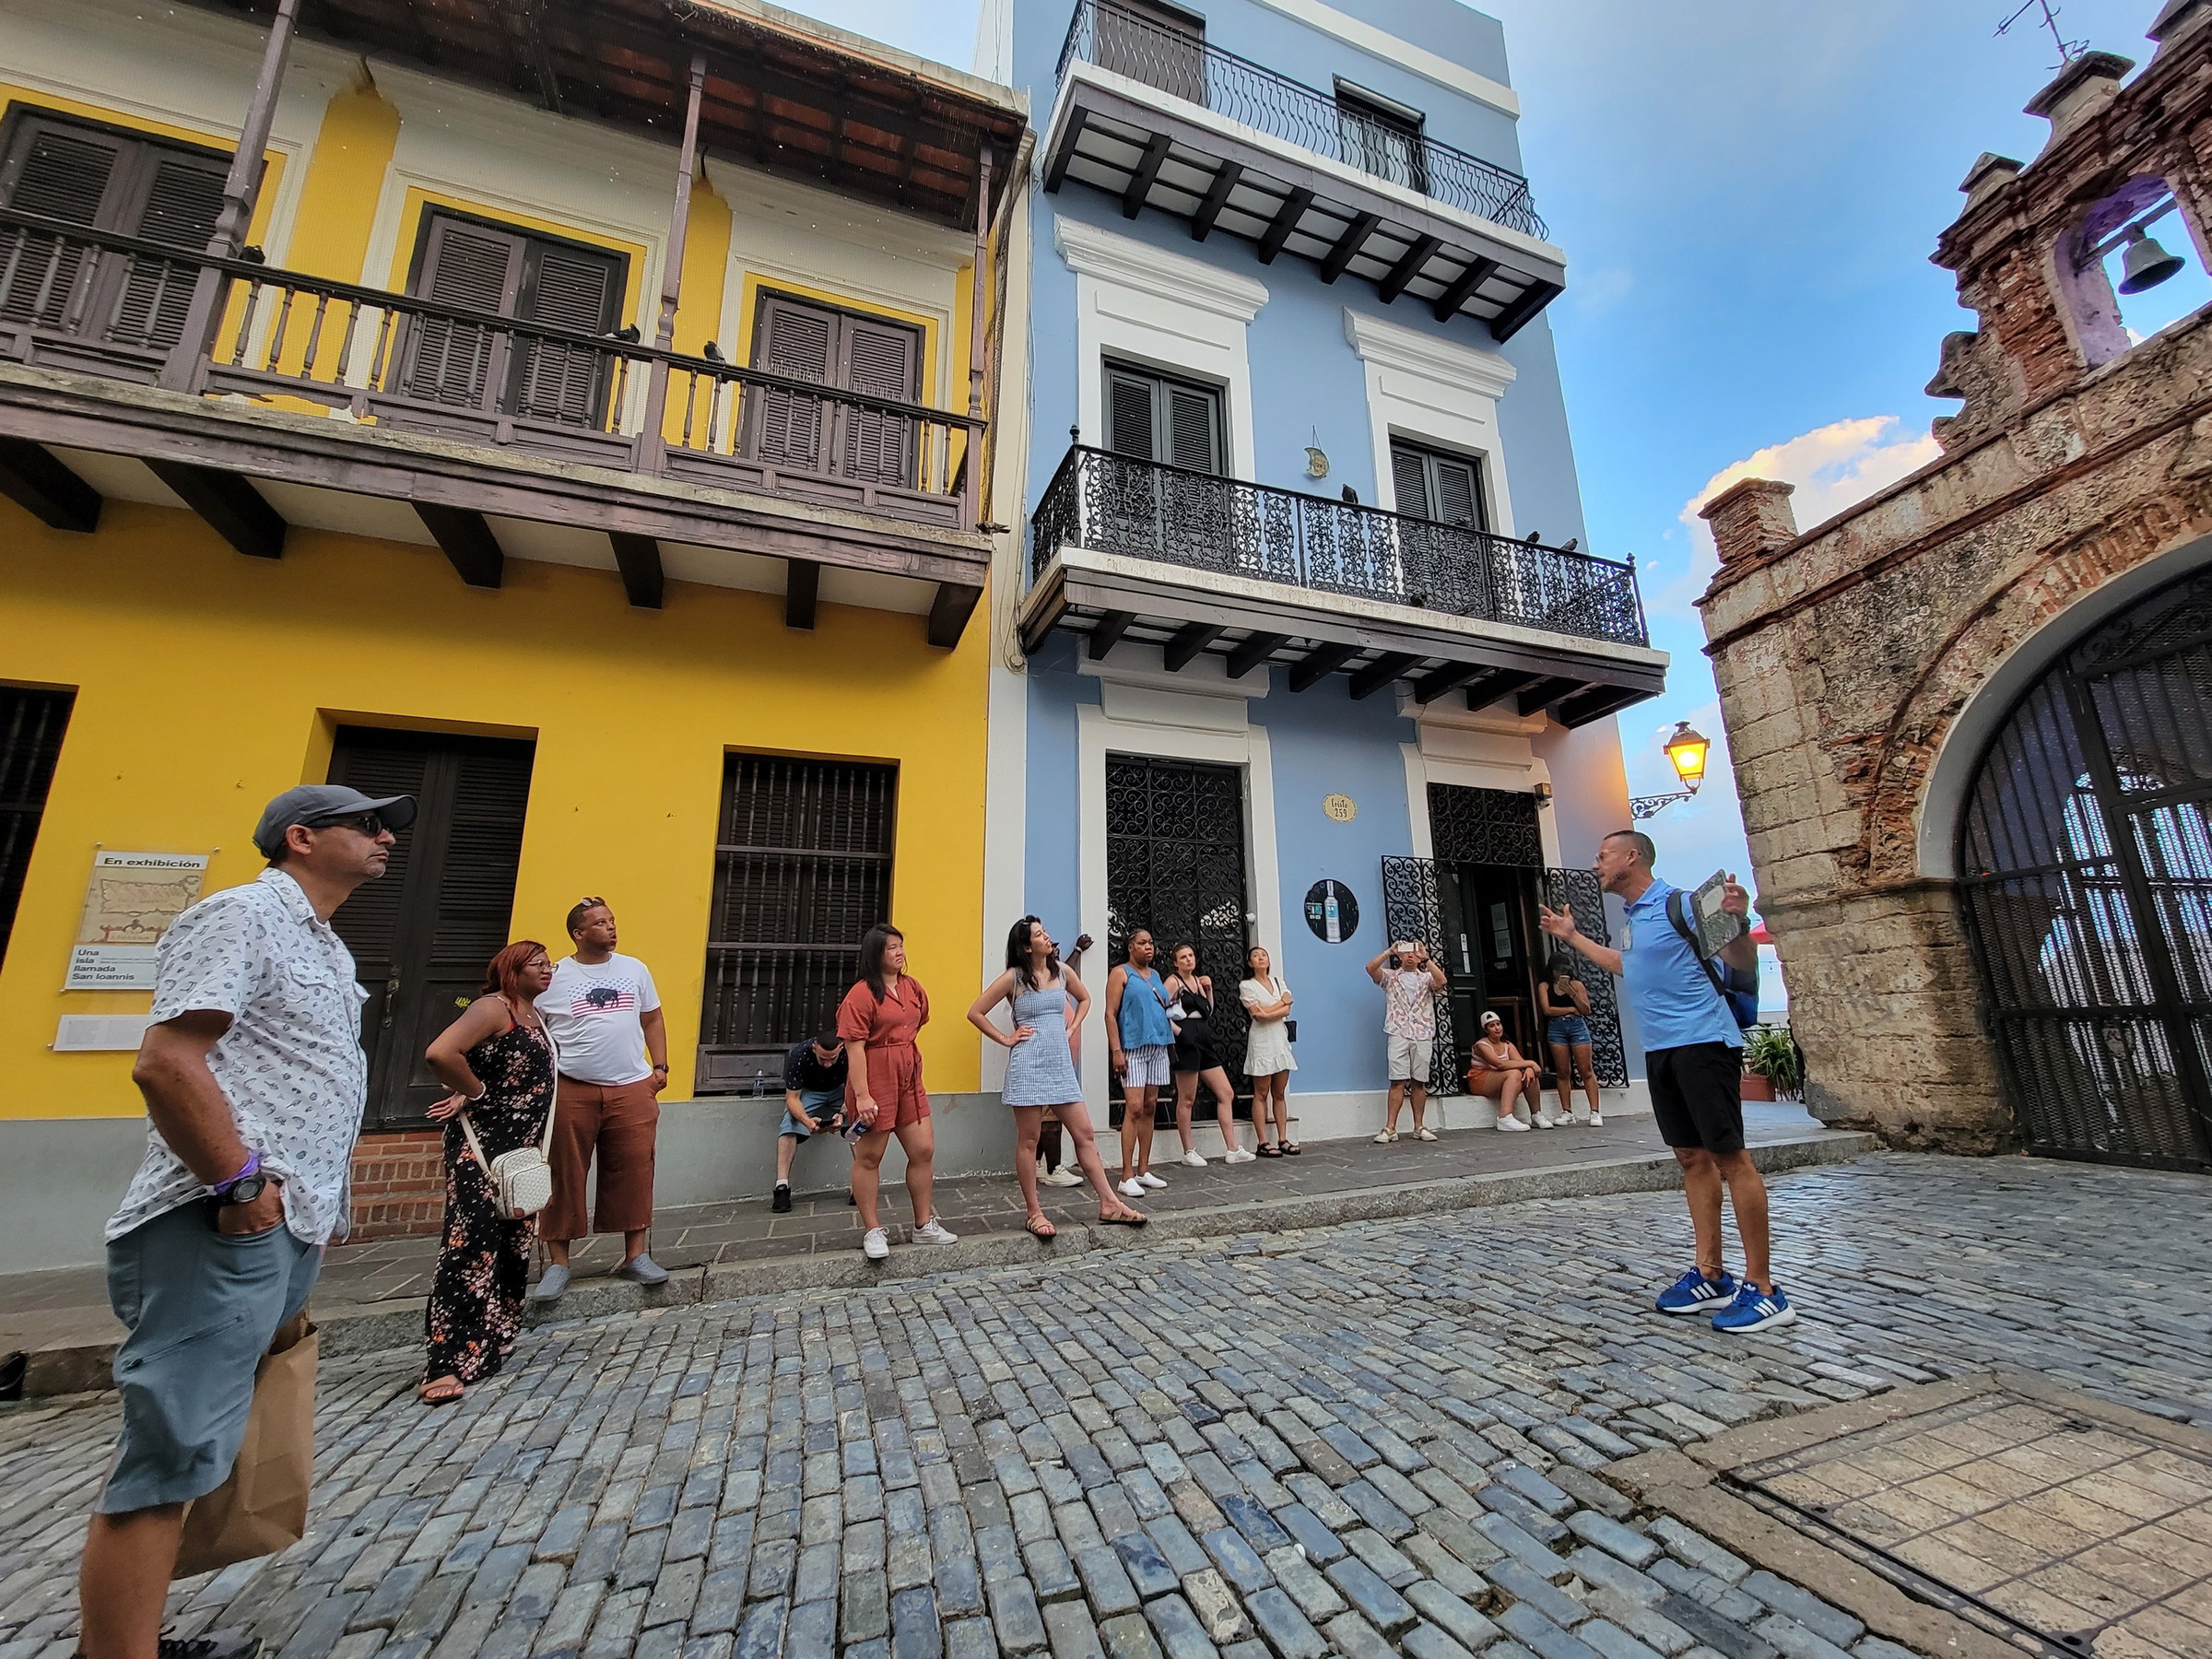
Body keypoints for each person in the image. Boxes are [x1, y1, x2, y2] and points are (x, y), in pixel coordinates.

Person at [83, 782, 413, 1659]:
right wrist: (238, 1185)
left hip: (282, 1220)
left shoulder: (324, 942)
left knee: (198, 1439)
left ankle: (133, 1635)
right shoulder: (241, 915)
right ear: (300, 837)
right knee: (172, 1447)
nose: (385, 837)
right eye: (366, 823)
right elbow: (166, 1062)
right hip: (221, 1220)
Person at [1540, 832, 1793, 1333]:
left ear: (1631, 857)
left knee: (1731, 1158)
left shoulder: (1684, 905)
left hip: (1704, 1043)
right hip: (1662, 1050)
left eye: (1603, 855)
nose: (1596, 863)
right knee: (1691, 1157)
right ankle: (1710, 1274)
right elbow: (1626, 966)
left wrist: (1739, 923)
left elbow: (1740, 961)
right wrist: (1571, 936)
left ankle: (1764, 1289)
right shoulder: (1633, 919)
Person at [419, 940, 558, 1405]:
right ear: (511, 970)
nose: (547, 970)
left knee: (514, 1241)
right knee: (471, 1246)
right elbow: (442, 1053)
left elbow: (498, 1065)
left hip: (521, 1148)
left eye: (549, 964)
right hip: (483, 1147)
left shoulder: (533, 1015)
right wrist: (475, 1092)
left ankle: (494, 1333)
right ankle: (447, 1360)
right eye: (537, 964)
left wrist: (473, 1086)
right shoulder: (492, 1008)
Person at [967, 917, 1147, 1236]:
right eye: (1039, 935)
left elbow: (1086, 998)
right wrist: (1006, 1038)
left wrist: (1073, 1026)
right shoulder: (1014, 978)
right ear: (1027, 947)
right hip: (1027, 1066)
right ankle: (1034, 1212)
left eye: (1044, 931)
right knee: (1029, 1140)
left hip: (1060, 1066)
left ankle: (1109, 1203)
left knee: (1085, 1134)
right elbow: (975, 1012)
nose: (1047, 936)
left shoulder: (1063, 972)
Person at [533, 898, 670, 1298]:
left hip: (631, 1086)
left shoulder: (634, 968)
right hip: (572, 1086)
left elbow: (652, 1018)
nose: (610, 927)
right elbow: (533, 1029)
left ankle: (635, 1256)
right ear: (578, 933)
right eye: (599, 923)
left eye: (611, 921)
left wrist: (660, 1067)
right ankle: (559, 1264)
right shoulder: (555, 977)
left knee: (635, 1167)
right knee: (564, 1172)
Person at [841, 923, 958, 1260]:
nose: (899, 952)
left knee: (923, 1148)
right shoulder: (861, 995)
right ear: (875, 954)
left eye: (901, 946)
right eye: (892, 948)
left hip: (908, 1074)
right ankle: (872, 1229)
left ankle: (923, 1224)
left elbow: (918, 1021)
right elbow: (854, 1048)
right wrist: (862, 1095)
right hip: (875, 1077)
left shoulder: (912, 987)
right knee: (869, 1157)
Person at [1164, 944, 1253, 1166]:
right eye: (1183, 957)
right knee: (1187, 1098)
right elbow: (1160, 1010)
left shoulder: (1198, 981)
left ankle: (1232, 1148)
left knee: (1226, 1093)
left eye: (1191, 955)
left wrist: (1209, 990)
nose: (1188, 960)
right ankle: (1188, 1150)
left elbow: (1208, 1010)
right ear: (1175, 962)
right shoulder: (1173, 982)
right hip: (1186, 1039)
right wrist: (1179, 1032)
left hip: (1204, 1037)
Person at [1105, 929, 1176, 1198]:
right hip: (1133, 1046)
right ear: (1130, 947)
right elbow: (1110, 1014)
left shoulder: (1155, 975)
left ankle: (1143, 1169)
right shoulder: (1121, 973)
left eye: (1151, 943)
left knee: (1150, 1106)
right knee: (1133, 1107)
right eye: (1142, 943)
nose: (1149, 947)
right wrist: (1116, 1050)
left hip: (1158, 1044)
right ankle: (1126, 1175)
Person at [1368, 938, 1447, 1142]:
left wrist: (1426, 958)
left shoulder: (1426, 978)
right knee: (1397, 1080)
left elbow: (1442, 982)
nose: (1410, 955)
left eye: (1414, 952)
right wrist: (1389, 952)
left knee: (1419, 1081)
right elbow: (1370, 968)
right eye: (1406, 951)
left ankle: (1419, 1126)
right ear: (1400, 955)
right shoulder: (1391, 977)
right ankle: (1390, 1128)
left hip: (1422, 1032)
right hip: (1399, 1032)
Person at [1034, 931, 1095, 1188]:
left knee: (1047, 1116)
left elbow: (1069, 974)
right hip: (1048, 1059)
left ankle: (1037, 1165)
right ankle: (1054, 1168)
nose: (1055, 954)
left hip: (1062, 1057)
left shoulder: (1058, 976)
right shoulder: (1037, 982)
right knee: (1051, 1117)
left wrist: (1078, 951)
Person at [773, 1031, 848, 1214]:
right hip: (809, 1091)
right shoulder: (800, 1054)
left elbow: (855, 1090)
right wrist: (807, 1122)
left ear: (840, 1048)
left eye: (832, 1059)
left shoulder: (849, 1053)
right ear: (814, 1048)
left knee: (857, 1124)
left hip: (841, 1090)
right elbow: (792, 1098)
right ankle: (782, 1186)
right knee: (789, 1124)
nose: (828, 1064)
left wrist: (842, 1114)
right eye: (823, 1059)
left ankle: (859, 1186)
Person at [1240, 945, 1299, 1157]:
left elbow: (1287, 1007)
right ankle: (1263, 1141)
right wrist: (1279, 1004)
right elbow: (1258, 1015)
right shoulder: (1247, 985)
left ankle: (1283, 1138)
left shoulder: (1278, 982)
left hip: (1279, 1039)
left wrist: (1268, 1011)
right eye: (1255, 956)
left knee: (1279, 1093)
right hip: (1262, 1041)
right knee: (1261, 1092)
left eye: (1264, 954)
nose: (1261, 958)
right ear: (1250, 963)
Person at [1539, 960, 1603, 1127]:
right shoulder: (1545, 986)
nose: (1562, 973)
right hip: (1557, 1027)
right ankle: (1567, 1111)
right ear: (1552, 970)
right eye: (1558, 970)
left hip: (1577, 1026)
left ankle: (1595, 1111)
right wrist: (1571, 1009)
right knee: (1562, 1071)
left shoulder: (1576, 985)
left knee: (1585, 1069)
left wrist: (1572, 994)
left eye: (1565, 970)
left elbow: (1586, 1010)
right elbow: (1547, 1010)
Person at [1464, 1010, 1540, 1131]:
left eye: (1498, 1024)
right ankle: (1505, 1117)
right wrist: (1531, 1063)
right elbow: (1500, 1064)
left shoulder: (1507, 1045)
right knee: (1515, 1073)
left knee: (1529, 1074)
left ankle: (1536, 1115)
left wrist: (1529, 1069)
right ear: (1486, 1029)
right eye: (1492, 1026)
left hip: (1499, 1078)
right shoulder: (1481, 1045)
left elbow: (1520, 1062)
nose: (1497, 1028)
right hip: (1480, 1078)